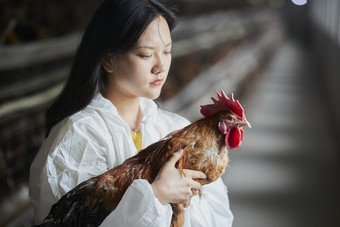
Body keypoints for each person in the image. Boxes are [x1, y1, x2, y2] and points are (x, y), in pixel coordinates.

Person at [29, 0, 234, 226]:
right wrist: (156, 196)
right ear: (108, 59)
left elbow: (217, 216)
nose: (161, 66)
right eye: (146, 55)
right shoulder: (79, 136)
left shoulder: (172, 127)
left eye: (167, 51)